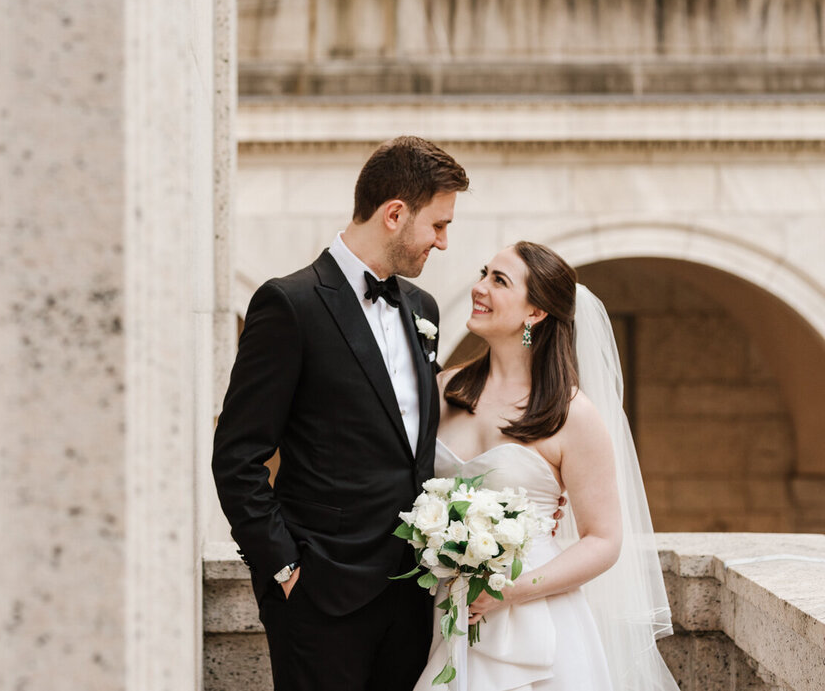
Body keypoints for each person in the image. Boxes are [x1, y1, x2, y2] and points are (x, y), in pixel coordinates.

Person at [212, 136, 469, 691]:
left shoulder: (421, 309)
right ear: (395, 214)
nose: (444, 243)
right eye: (439, 225)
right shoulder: (290, 304)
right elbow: (237, 456)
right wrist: (283, 569)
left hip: (414, 594)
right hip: (319, 598)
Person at [417, 242, 678, 691]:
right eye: (484, 273)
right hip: (441, 607)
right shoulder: (443, 389)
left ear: (535, 313)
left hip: (534, 613)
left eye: (499, 281)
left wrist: (507, 591)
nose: (479, 288)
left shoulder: (572, 415)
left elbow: (604, 540)